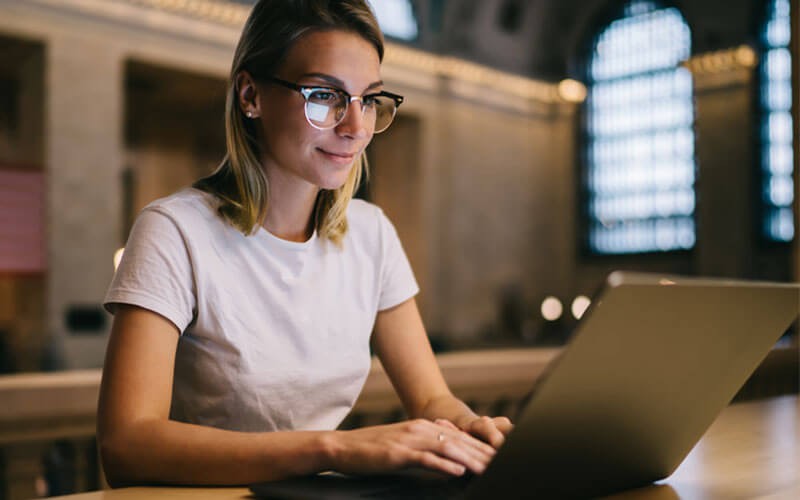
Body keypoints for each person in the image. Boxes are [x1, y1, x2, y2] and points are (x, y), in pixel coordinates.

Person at [97, 0, 512, 487]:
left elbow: (431, 400)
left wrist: (465, 428)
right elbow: (126, 445)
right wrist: (333, 448)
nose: (355, 127)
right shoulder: (174, 230)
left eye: (368, 99)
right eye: (324, 96)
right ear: (251, 95)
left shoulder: (371, 233)